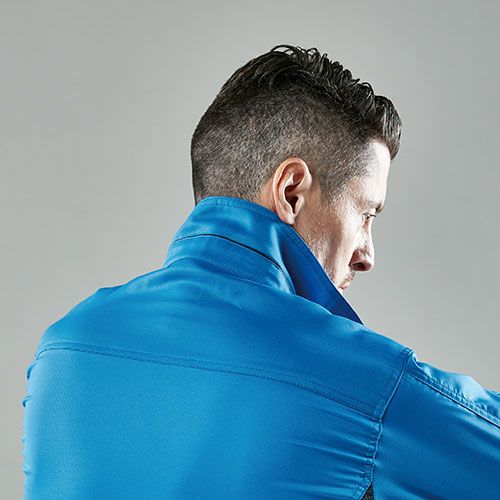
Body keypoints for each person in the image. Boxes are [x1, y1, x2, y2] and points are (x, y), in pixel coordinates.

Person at [22, 44, 499, 499]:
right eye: (365, 213)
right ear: (292, 191)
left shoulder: (62, 349)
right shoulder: (365, 387)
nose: (366, 254)